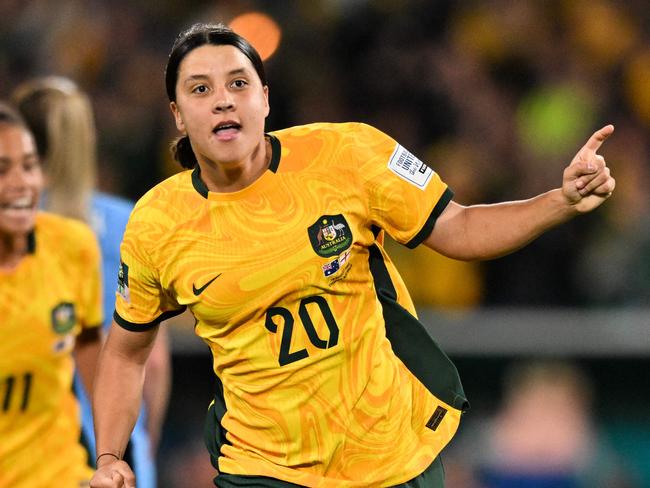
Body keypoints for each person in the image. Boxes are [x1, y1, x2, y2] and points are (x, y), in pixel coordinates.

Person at [89, 23, 616, 488]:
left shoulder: (350, 155)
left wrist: (559, 201)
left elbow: (457, 226)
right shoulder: (158, 222)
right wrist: (109, 455)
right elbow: (125, 351)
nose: (224, 100)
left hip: (389, 453)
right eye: (201, 90)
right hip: (263, 467)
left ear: (265, 99)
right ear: (178, 116)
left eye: (238, 83)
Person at [12, 76, 171, 488]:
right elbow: (150, 362)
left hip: (36, 450)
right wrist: (143, 446)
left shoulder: (16, 226)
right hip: (114, 448)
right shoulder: (128, 221)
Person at [0, 101, 102, 486]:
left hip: (60, 474)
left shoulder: (71, 245)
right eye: (1, 170)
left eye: (29, 166)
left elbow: (90, 345)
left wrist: (111, 455)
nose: (22, 183)